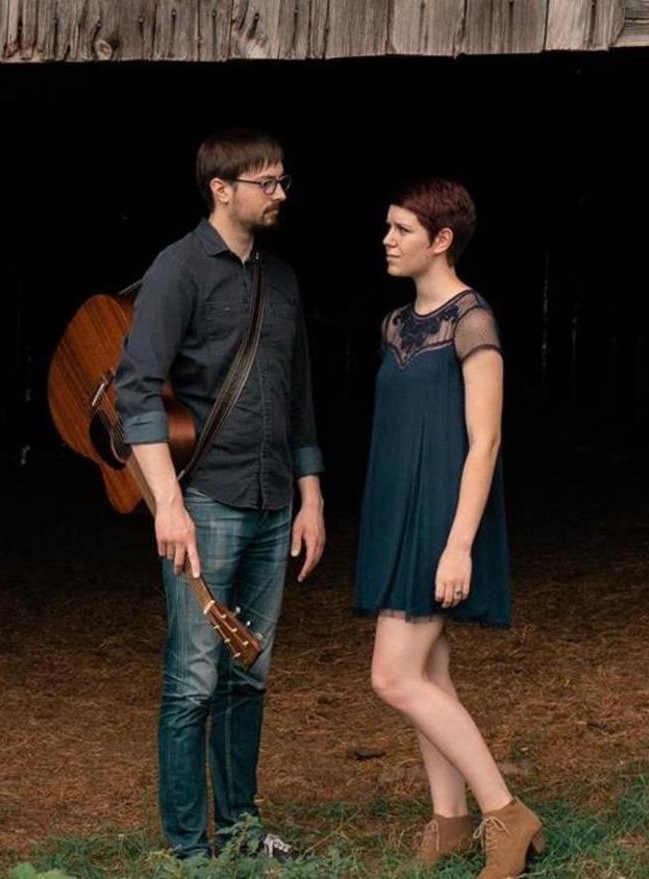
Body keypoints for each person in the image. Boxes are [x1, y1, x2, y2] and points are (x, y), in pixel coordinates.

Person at [115, 128, 326, 860]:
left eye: (283, 180)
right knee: (193, 679)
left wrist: (311, 496)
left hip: (274, 502)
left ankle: (240, 831)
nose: (280, 194)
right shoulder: (176, 270)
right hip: (203, 501)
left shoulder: (283, 280)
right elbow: (136, 391)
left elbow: (298, 397)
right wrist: (169, 505)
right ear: (222, 188)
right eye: (267, 182)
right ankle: (189, 849)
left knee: (249, 675)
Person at [354, 178, 543, 877]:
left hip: (444, 515)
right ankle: (451, 820)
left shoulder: (472, 320)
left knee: (391, 675)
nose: (387, 239)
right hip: (395, 509)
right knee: (428, 673)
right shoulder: (394, 325)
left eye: (401, 229)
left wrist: (458, 543)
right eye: (388, 226)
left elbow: (484, 442)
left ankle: (506, 812)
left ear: (441, 240)